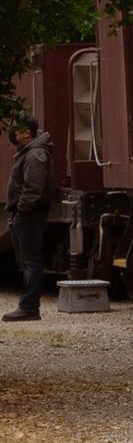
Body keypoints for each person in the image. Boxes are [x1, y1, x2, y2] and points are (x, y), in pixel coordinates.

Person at [5, 117, 54, 322]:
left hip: (29, 215)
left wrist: (22, 210)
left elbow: (33, 188)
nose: (11, 134)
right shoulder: (31, 153)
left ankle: (28, 307)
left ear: (26, 133)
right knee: (27, 261)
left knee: (31, 262)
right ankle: (28, 306)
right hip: (26, 214)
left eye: (15, 131)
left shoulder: (35, 155)